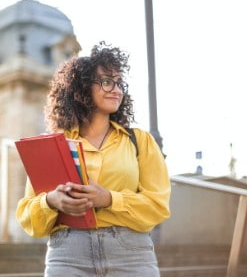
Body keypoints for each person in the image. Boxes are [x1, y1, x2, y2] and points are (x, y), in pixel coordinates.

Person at [16, 41, 171, 276]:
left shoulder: (140, 141)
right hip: (68, 254)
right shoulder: (53, 146)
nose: (116, 89)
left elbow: (158, 207)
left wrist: (109, 199)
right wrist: (51, 201)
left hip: (130, 254)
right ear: (81, 88)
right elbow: (29, 217)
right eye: (107, 81)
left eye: (120, 83)